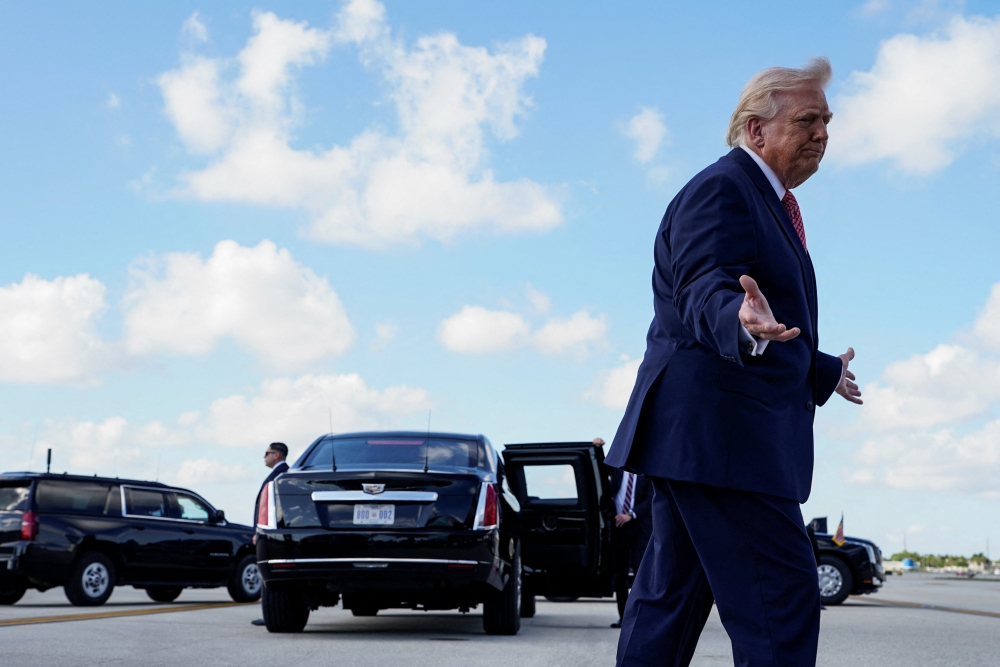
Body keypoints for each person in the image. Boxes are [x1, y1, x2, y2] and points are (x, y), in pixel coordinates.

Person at [604, 58, 863, 666]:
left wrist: (820, 369)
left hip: (696, 439)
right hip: (726, 444)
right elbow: (703, 286)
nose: (823, 133)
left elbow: (751, 315)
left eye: (827, 121)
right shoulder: (724, 189)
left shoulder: (765, 200)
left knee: (669, 602)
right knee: (782, 601)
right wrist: (736, 319)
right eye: (807, 119)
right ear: (756, 130)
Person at [603, 440, 652, 629]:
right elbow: (599, 472)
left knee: (641, 574)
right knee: (620, 575)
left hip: (640, 528)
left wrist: (630, 515)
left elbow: (651, 499)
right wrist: (598, 449)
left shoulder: (646, 471)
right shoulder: (616, 468)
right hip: (618, 528)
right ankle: (624, 618)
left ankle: (641, 618)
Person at [251, 442, 289, 627]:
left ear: (276, 455)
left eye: (266, 453)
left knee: (268, 572)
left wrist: (258, 531)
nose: (263, 456)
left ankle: (271, 614)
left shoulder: (279, 476)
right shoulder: (281, 475)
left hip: (270, 532)